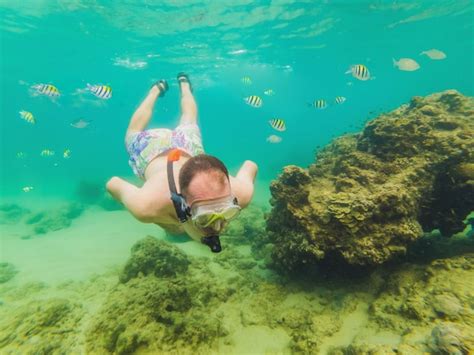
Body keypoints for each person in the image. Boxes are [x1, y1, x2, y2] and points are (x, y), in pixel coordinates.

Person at [106, 73, 258, 252]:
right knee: (134, 132)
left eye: (227, 212)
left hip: (189, 150)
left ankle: (184, 86)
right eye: (204, 218)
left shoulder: (240, 195)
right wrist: (162, 219)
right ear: (184, 206)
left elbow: (250, 165)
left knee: (190, 120)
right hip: (149, 151)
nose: (219, 227)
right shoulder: (147, 206)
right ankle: (155, 91)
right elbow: (112, 184)